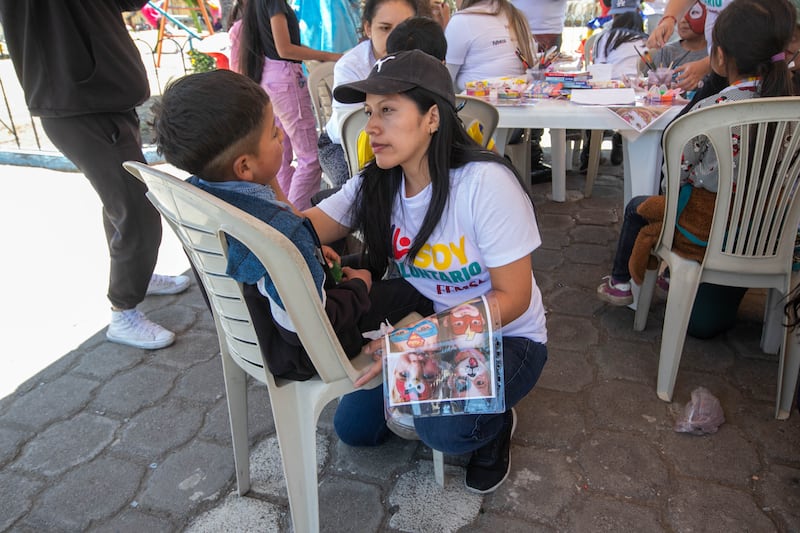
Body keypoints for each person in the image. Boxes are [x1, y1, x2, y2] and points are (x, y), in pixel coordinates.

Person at [305, 50, 549, 494]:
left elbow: (513, 299)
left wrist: (412, 342)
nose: (372, 126)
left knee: (444, 433)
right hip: (432, 315)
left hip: (509, 337)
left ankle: (494, 425)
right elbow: (309, 224)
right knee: (354, 430)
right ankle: (420, 388)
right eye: (368, 112)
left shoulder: (484, 184)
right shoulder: (379, 178)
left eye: (389, 111)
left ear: (432, 117)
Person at [153, 69, 434, 380]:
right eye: (274, 133)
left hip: (260, 334)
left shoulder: (197, 195)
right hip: (312, 350)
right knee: (417, 289)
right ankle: (419, 380)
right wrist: (358, 286)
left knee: (364, 262)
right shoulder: (280, 231)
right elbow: (311, 324)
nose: (282, 137)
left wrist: (309, 255)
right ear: (245, 166)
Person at [597, 0, 796, 338]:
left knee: (641, 208)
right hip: (773, 236)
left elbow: (677, 175)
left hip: (705, 233)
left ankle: (622, 283)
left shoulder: (707, 109)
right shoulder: (790, 105)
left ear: (718, 57)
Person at [0, 0, 191, 350]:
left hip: (105, 95)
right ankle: (123, 311)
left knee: (122, 204)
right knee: (137, 208)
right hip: (78, 102)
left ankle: (137, 277)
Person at [229, 0, 342, 210]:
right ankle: (294, 218)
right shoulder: (274, 2)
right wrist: (327, 55)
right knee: (310, 159)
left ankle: (284, 211)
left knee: (281, 155)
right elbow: (285, 48)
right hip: (285, 82)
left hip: (269, 81)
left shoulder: (258, 5)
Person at [317, 0, 421, 188]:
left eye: (404, 29)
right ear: (368, 28)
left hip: (402, 141)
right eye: (385, 28)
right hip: (343, 144)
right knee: (359, 190)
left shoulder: (422, 61)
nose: (394, 39)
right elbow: (352, 130)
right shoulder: (351, 66)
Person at [444, 0, 536, 92]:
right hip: (520, 96)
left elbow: (445, 79)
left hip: (477, 102)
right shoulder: (516, 15)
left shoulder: (461, 21)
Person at [646, 0, 733, 94]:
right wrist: (669, 19)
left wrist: (706, 65)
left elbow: (745, 41)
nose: (683, 20)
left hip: (737, 78)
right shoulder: (668, 51)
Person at [641, 1, 707, 76]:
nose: (683, 21)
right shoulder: (666, 53)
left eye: (694, 13)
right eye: (680, 16)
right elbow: (649, 82)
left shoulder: (714, 52)